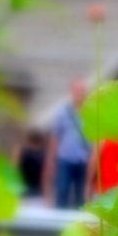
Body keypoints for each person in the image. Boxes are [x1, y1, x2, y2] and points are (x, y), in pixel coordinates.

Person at [44, 80, 93, 209]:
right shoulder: (62, 112)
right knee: (62, 191)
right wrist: (50, 160)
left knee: (81, 197)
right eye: (76, 90)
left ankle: (79, 226)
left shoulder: (91, 112)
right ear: (71, 92)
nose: (79, 94)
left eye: (81, 91)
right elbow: (55, 137)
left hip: (84, 159)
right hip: (65, 158)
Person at [12, 128, 46, 202]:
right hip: (38, 192)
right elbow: (45, 176)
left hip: (23, 190)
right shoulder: (43, 155)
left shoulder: (21, 152)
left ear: (28, 139)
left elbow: (14, 170)